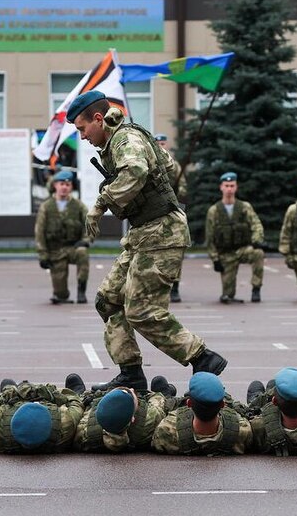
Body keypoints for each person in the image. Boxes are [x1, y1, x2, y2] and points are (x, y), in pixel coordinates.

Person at [68, 90, 228, 391]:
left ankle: (201, 357)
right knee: (108, 300)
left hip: (161, 233)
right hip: (144, 232)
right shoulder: (125, 138)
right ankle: (131, 373)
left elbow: (137, 170)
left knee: (141, 311)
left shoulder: (125, 140)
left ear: (98, 119)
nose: (83, 136)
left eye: (82, 129)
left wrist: (101, 203)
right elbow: (169, 167)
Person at [152, 372, 252, 456]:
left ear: (189, 404)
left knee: (166, 403)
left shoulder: (166, 431)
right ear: (223, 405)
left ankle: (165, 395)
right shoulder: (242, 431)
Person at [205, 172, 266, 303]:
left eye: (232, 185)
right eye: (226, 186)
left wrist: (257, 240)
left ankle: (256, 288)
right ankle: (228, 293)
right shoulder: (214, 211)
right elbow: (210, 237)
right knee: (227, 296)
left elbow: (256, 224)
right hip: (226, 254)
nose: (229, 189)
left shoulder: (244, 207)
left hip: (242, 249)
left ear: (236, 187)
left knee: (258, 253)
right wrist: (215, 259)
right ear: (221, 187)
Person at [75, 375, 177, 453]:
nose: (132, 389)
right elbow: (157, 403)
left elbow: (81, 412)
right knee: (162, 399)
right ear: (132, 419)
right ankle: (166, 395)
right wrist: (157, 395)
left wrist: (87, 399)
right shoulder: (150, 418)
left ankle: (79, 394)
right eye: (132, 393)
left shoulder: (84, 430)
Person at [0, 380, 84, 454]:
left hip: (12, 404)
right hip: (47, 403)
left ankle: (11, 389)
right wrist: (55, 394)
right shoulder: (65, 426)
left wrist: (8, 395)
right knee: (75, 398)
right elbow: (76, 405)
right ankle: (79, 392)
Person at [35, 170, 91, 304]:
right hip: (55, 251)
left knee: (83, 253)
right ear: (55, 185)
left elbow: (90, 224)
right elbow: (39, 232)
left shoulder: (78, 206)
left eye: (67, 184)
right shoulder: (46, 207)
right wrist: (43, 255)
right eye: (61, 184)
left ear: (71, 187)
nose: (64, 187)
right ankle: (62, 293)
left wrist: (85, 241)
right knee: (60, 295)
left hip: (73, 247)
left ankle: (81, 290)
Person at [155, 133, 187, 303]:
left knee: (175, 250)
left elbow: (184, 189)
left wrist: (177, 194)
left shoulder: (174, 166)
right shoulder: (149, 164)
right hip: (153, 213)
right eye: (157, 143)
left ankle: (175, 287)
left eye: (163, 143)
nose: (161, 146)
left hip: (172, 211)